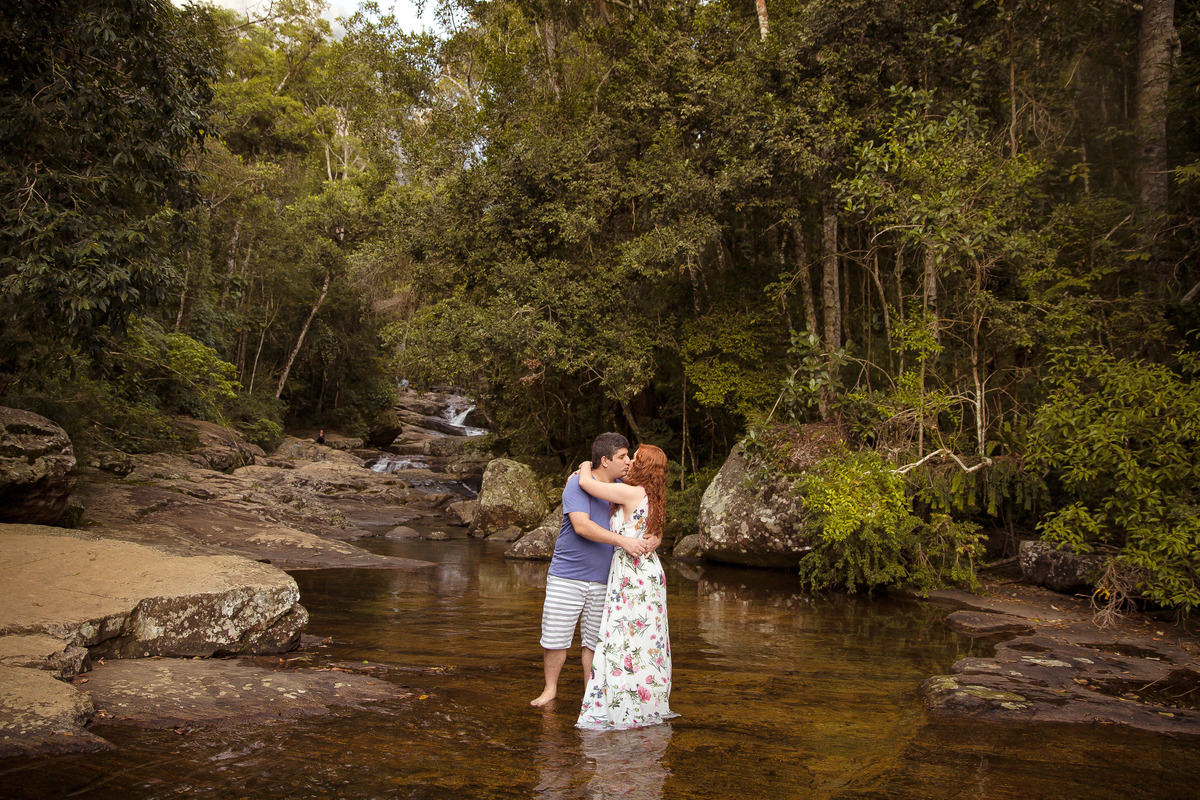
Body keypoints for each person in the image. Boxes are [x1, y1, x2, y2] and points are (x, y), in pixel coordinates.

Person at [531, 433, 657, 708]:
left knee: (594, 642)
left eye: (628, 456)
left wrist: (656, 538)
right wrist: (623, 541)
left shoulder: (625, 486)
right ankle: (550, 689)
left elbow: (648, 514)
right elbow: (582, 526)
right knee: (555, 638)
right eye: (622, 457)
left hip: (606, 579)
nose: (628, 462)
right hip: (567, 575)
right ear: (604, 460)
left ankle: (591, 694)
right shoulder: (578, 483)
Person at [575, 443, 678, 731]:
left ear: (644, 466)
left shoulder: (632, 492)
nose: (630, 461)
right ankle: (648, 701)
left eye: (635, 458)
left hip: (632, 574)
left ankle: (623, 702)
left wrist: (585, 463)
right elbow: (656, 533)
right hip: (649, 571)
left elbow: (586, 482)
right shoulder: (654, 496)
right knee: (647, 640)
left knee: (623, 636)